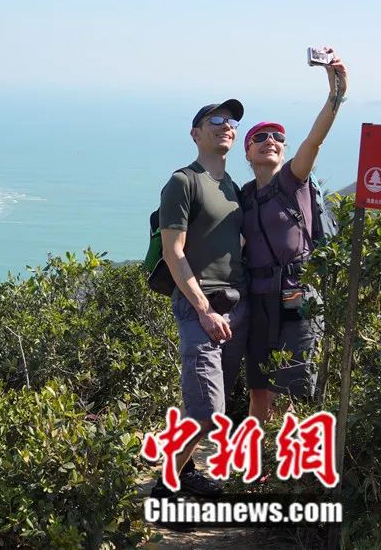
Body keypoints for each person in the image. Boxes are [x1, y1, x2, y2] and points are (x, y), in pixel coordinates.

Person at [241, 48, 348, 422]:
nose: (271, 140)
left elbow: (314, 141)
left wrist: (335, 94)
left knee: (288, 393)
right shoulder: (243, 196)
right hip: (258, 302)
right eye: (260, 137)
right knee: (258, 391)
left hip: (297, 298)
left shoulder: (292, 180)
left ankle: (283, 458)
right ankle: (256, 455)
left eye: (278, 137)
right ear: (248, 152)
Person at [154, 98, 250, 498]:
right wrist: (205, 309)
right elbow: (172, 251)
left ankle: (185, 469)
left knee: (203, 402)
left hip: (235, 307)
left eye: (232, 122)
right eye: (216, 120)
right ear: (195, 134)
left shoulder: (231, 188)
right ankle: (166, 487)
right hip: (200, 307)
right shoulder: (184, 182)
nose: (226, 125)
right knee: (209, 412)